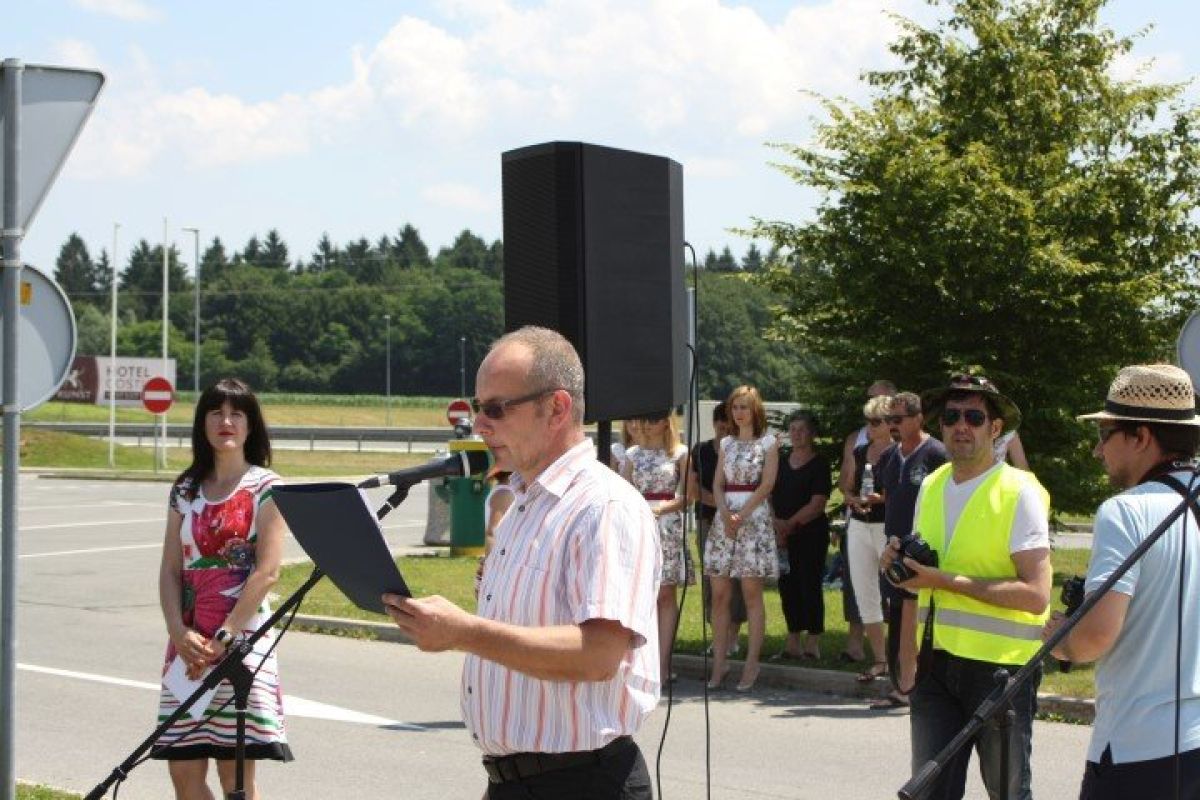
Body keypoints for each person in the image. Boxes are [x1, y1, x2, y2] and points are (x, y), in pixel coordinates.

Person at [382, 326, 660, 799]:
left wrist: (463, 632)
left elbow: (598, 655)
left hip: (583, 785)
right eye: (478, 408)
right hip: (513, 782)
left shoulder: (604, 507)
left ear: (556, 408)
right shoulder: (522, 504)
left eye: (496, 408)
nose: (480, 424)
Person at [883, 374, 1051, 800]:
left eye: (974, 417)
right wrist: (897, 566)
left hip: (1001, 673)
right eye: (952, 416)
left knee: (1007, 793)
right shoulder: (933, 484)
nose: (961, 425)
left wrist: (944, 581)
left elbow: (1036, 596)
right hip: (935, 664)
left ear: (995, 428)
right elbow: (921, 579)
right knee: (929, 791)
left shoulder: (1020, 491)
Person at [1044, 364, 1200, 799]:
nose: (1098, 450)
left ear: (1141, 437)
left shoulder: (1126, 510)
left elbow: (1094, 637)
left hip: (1140, 749)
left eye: (1105, 434)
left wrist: (1061, 641)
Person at [154, 378, 293, 799]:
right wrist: (178, 632)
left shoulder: (267, 487)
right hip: (188, 648)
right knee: (183, 773)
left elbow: (267, 571)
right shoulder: (185, 488)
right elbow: (171, 569)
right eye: (216, 412)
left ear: (251, 425)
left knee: (236, 780)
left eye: (237, 413)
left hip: (239, 643)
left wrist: (224, 637)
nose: (226, 421)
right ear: (202, 423)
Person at [872, 391, 947, 710]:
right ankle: (902, 684)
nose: (892, 425)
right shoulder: (890, 456)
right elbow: (888, 496)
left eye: (898, 419)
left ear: (919, 418)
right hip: (894, 547)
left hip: (922, 547)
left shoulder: (937, 453)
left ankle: (912, 686)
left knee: (913, 617)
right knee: (898, 615)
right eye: (888, 419)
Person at [705, 384, 779, 692]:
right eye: (735, 407)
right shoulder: (726, 444)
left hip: (753, 518)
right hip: (725, 520)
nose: (738, 413)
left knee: (751, 594)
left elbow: (767, 484)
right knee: (720, 595)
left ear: (755, 410)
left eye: (744, 407)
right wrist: (724, 512)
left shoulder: (768, 443)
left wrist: (742, 514)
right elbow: (717, 483)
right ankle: (719, 662)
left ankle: (751, 663)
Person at [622, 410, 692, 684]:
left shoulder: (679, 453)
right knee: (639, 594)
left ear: (666, 422)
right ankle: (637, 661)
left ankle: (662, 664)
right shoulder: (632, 454)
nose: (646, 425)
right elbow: (622, 490)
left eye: (653, 419)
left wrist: (663, 508)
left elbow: (689, 495)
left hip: (667, 524)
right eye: (643, 419)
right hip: (638, 523)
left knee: (665, 594)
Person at [838, 379, 896, 659]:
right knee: (864, 593)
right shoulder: (860, 450)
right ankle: (880, 658)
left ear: (890, 423)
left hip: (888, 526)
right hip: (860, 524)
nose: (869, 427)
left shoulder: (899, 452)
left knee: (895, 591)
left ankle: (900, 656)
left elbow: (903, 493)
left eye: (875, 422)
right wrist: (852, 499)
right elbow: (848, 485)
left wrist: (879, 499)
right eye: (867, 421)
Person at [770, 411, 832, 660]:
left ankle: (813, 642)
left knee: (809, 585)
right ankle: (792, 641)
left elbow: (817, 504)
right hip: (782, 536)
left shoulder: (820, 464)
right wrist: (777, 525)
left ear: (812, 433)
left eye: (802, 429)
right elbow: (768, 494)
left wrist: (790, 524)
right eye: (792, 429)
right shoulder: (780, 461)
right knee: (787, 587)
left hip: (810, 534)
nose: (796, 434)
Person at [688, 402, 746, 657]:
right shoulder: (700, 450)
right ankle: (716, 636)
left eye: (727, 423)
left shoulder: (740, 450)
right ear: (713, 423)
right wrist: (721, 505)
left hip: (736, 522)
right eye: (719, 422)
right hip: (708, 520)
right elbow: (693, 488)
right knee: (712, 580)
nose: (723, 427)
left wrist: (730, 511)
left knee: (736, 579)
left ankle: (733, 635)